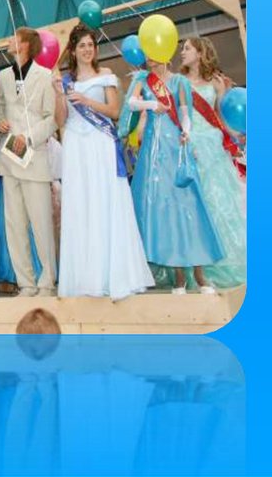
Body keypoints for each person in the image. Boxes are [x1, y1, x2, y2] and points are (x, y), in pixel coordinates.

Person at [54, 24, 154, 300]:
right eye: (82, 45)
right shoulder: (65, 81)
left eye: (91, 45)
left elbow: (114, 111)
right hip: (76, 146)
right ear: (73, 51)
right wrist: (60, 95)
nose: (87, 50)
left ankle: (114, 275)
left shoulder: (106, 75)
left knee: (104, 200)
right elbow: (60, 119)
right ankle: (86, 278)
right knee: (82, 204)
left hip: (100, 143)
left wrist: (86, 100)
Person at [120, 56, 225, 294]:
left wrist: (186, 131)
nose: (150, 57)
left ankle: (199, 274)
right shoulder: (143, 79)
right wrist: (151, 105)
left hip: (176, 148)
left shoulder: (179, 81)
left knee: (190, 207)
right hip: (154, 152)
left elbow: (185, 113)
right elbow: (132, 103)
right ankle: (179, 276)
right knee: (165, 210)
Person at [0, 27, 58, 297]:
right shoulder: (4, 75)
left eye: (14, 37)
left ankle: (47, 281)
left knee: (41, 224)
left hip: (34, 158)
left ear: (25, 44)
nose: (9, 40)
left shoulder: (45, 76)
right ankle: (26, 283)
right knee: (15, 225)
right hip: (9, 159)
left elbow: (52, 118)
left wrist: (29, 138)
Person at [180, 37, 246, 288]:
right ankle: (201, 269)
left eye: (187, 48)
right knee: (200, 208)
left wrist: (235, 132)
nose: (182, 52)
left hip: (214, 148)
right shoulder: (180, 82)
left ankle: (230, 262)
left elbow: (221, 117)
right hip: (193, 146)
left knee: (222, 204)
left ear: (200, 53)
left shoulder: (215, 82)